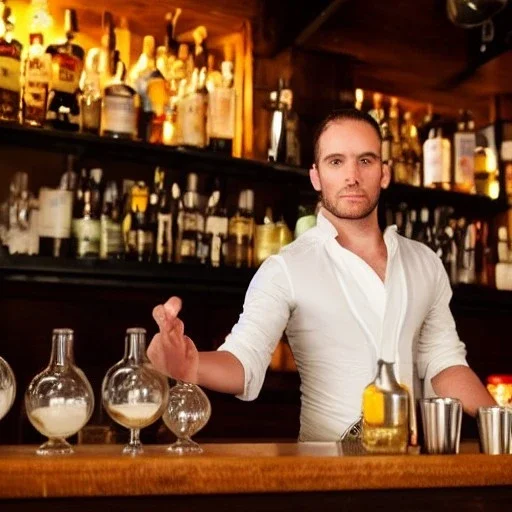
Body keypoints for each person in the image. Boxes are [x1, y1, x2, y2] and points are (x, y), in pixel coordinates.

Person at [148, 108, 495, 442]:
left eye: (365, 160)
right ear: (316, 176)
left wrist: (502, 426)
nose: (352, 176)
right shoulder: (286, 268)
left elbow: (444, 364)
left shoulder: (425, 262)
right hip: (326, 472)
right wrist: (190, 365)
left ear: (384, 172)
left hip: (410, 467)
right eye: (336, 162)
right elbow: (244, 360)